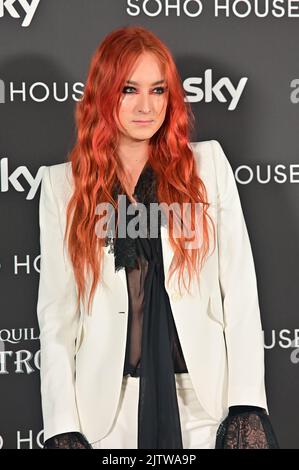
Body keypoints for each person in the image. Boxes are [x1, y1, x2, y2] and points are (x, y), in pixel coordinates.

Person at [37, 25, 278, 449]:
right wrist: (61, 426)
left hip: (204, 404)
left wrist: (246, 404)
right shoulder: (63, 187)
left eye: (159, 90)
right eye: (129, 89)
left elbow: (239, 292)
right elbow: (56, 318)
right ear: (104, 94)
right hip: (106, 414)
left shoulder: (207, 168)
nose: (147, 106)